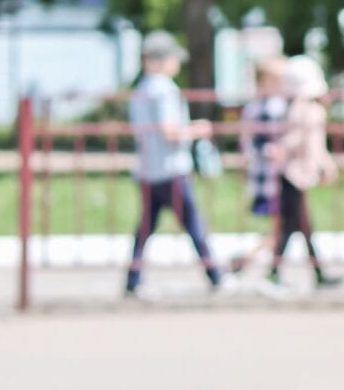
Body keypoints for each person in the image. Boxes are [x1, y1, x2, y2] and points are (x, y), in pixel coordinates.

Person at [124, 32, 222, 298]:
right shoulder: (164, 89)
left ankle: (133, 278)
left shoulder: (141, 90)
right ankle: (215, 275)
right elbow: (170, 131)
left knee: (145, 227)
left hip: (147, 168)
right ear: (159, 60)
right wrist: (197, 130)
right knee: (193, 223)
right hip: (171, 168)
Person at [266, 55, 343, 289]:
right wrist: (327, 166)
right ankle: (276, 270)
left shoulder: (296, 107)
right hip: (296, 174)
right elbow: (311, 143)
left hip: (292, 173)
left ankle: (315, 271)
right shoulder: (312, 110)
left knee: (301, 226)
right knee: (293, 226)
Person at [228, 57, 290, 286]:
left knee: (283, 225)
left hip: (271, 174)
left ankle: (251, 261)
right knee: (282, 225)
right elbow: (254, 143)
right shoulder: (265, 108)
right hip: (271, 176)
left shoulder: (261, 106)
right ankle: (248, 261)